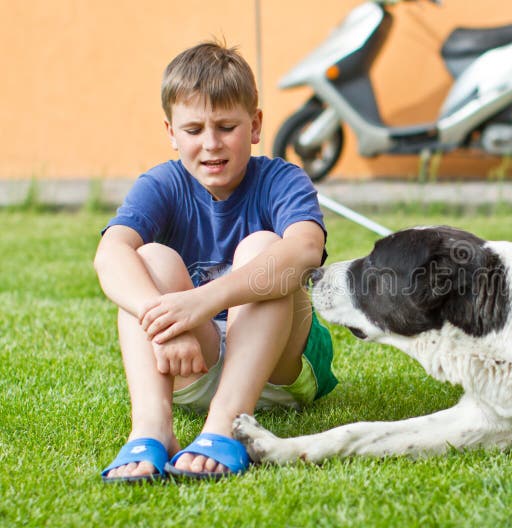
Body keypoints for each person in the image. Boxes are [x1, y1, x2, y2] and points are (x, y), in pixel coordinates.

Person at [94, 40, 337, 482]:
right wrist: (165, 320)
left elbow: (304, 249)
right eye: (193, 130)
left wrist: (200, 302)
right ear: (170, 132)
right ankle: (151, 425)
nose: (210, 144)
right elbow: (109, 254)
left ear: (256, 124)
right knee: (148, 258)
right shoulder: (161, 184)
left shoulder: (282, 179)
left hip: (278, 373)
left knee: (264, 248)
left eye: (226, 126)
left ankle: (225, 427)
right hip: (191, 365)